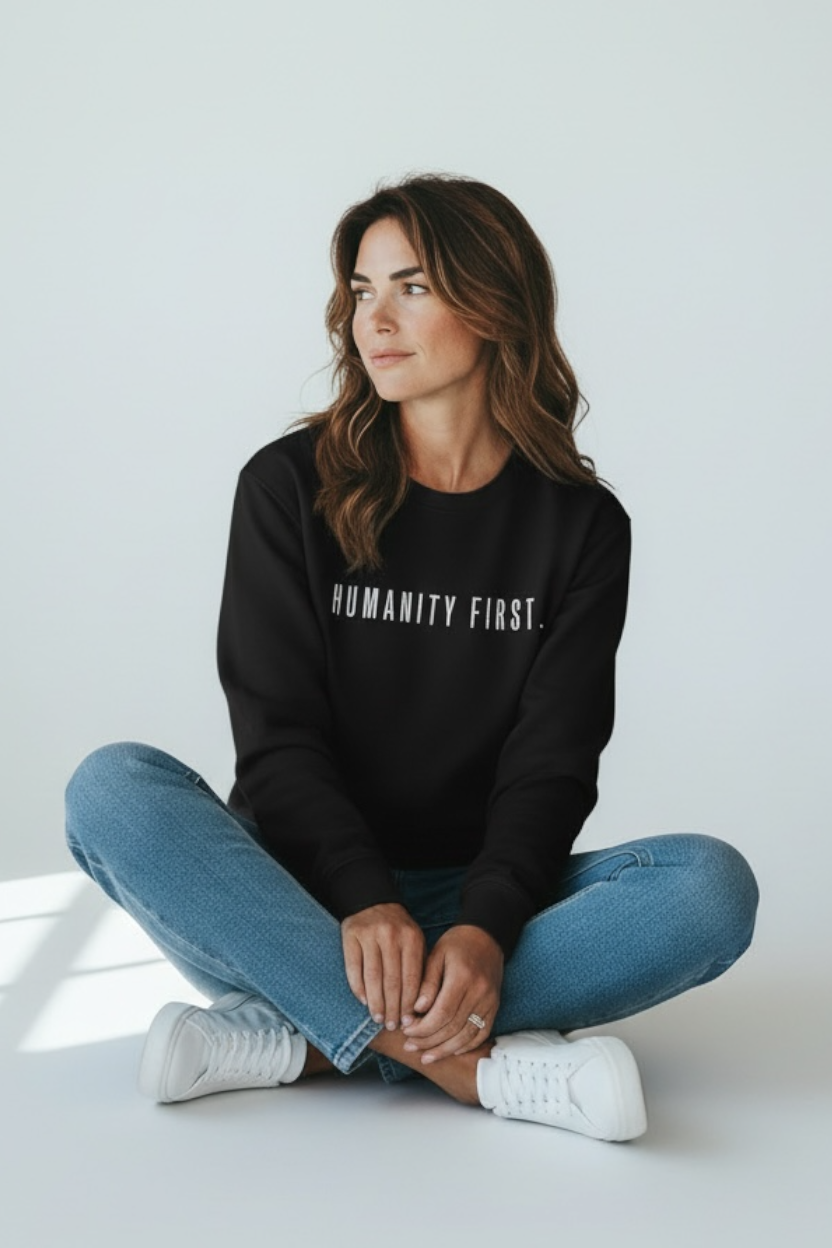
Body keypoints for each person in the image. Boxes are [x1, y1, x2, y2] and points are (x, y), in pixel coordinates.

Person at [64, 173, 759, 1142]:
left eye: (413, 287)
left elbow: (554, 760)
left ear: (495, 304)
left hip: (478, 896)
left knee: (709, 888)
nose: (373, 321)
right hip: (295, 896)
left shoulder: (581, 525)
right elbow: (277, 734)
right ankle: (467, 1066)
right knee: (110, 789)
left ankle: (302, 1036)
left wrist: (485, 926)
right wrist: (362, 899)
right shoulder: (287, 487)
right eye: (361, 290)